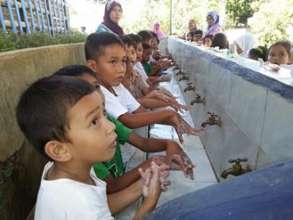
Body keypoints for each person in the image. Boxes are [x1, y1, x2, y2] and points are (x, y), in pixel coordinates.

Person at [16, 76, 165, 220]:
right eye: (94, 121)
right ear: (59, 150)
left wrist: (140, 186)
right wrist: (148, 204)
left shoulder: (64, 168)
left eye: (104, 113)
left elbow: (100, 205)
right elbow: (90, 209)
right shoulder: (79, 206)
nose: (111, 126)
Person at [53, 65, 194, 194]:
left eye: (96, 87)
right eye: (82, 91)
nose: (94, 95)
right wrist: (151, 164)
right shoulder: (81, 147)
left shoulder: (106, 119)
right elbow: (109, 187)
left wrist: (169, 144)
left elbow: (142, 143)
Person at [85, 32, 202, 143]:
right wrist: (168, 114)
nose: (121, 68)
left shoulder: (116, 86)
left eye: (123, 61)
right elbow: (130, 120)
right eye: (113, 62)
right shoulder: (99, 92)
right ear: (93, 66)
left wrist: (172, 120)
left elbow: (140, 110)